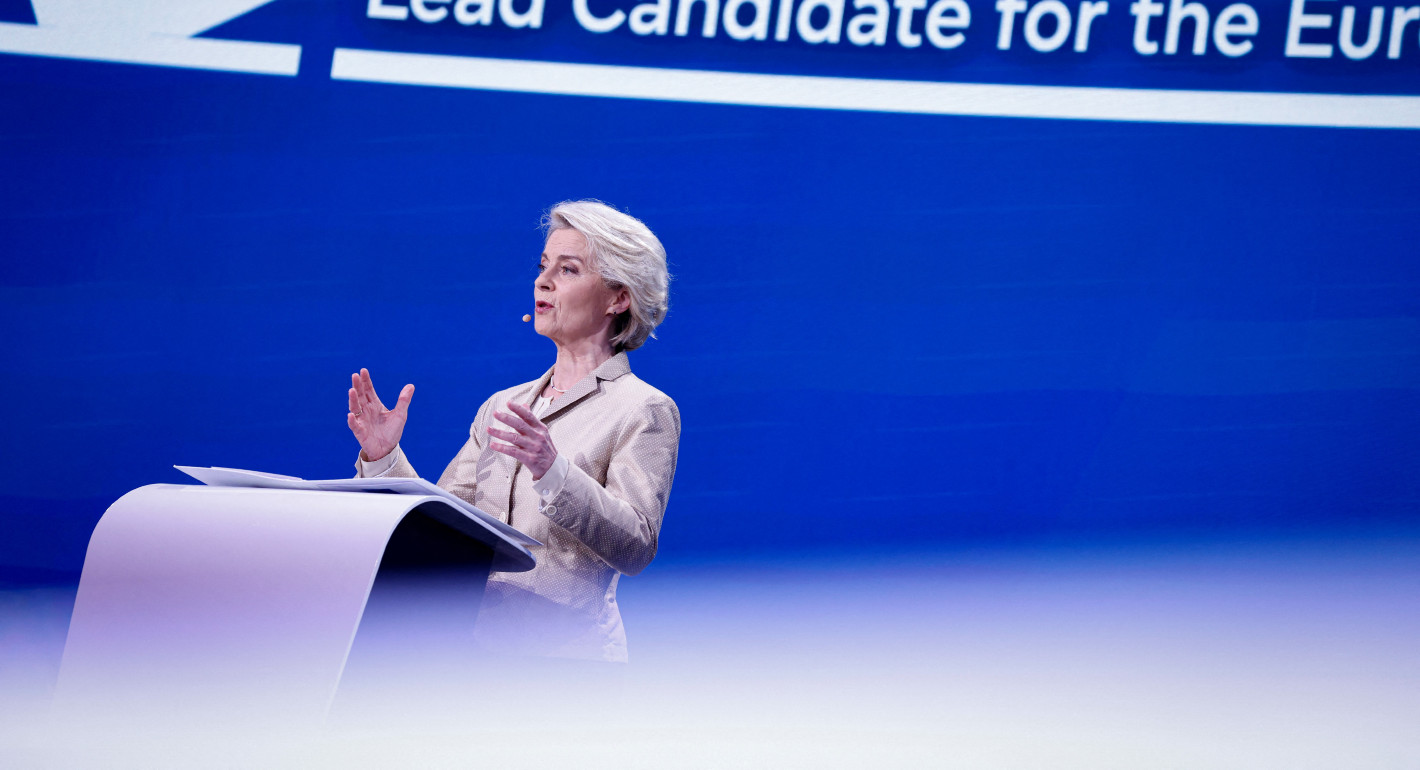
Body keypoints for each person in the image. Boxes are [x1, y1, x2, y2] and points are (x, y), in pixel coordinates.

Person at [345, 200, 679, 663]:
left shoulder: (643, 408)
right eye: (544, 267)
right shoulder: (504, 405)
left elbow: (637, 546)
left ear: (618, 298)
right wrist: (384, 458)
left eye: (568, 270)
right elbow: (444, 524)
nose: (542, 281)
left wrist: (553, 471)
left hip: (571, 671)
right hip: (477, 659)